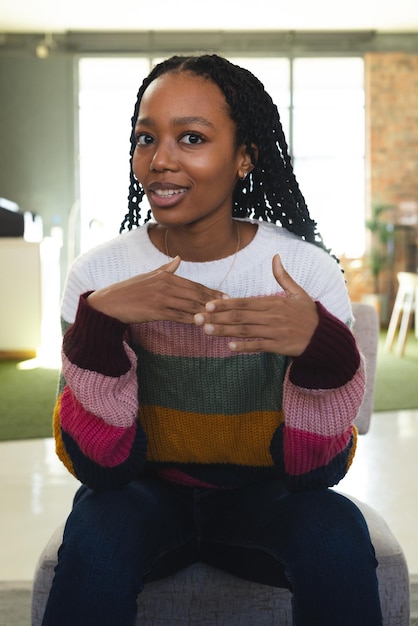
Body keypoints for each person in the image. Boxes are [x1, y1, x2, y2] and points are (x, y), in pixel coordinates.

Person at [42, 54, 382, 626]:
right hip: (141, 496)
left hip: (267, 498)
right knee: (99, 524)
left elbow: (319, 470)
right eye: (146, 138)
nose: (160, 161)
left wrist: (323, 350)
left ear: (245, 156)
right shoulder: (98, 276)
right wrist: (99, 328)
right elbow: (98, 467)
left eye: (192, 138)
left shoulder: (306, 272)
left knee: (336, 526)